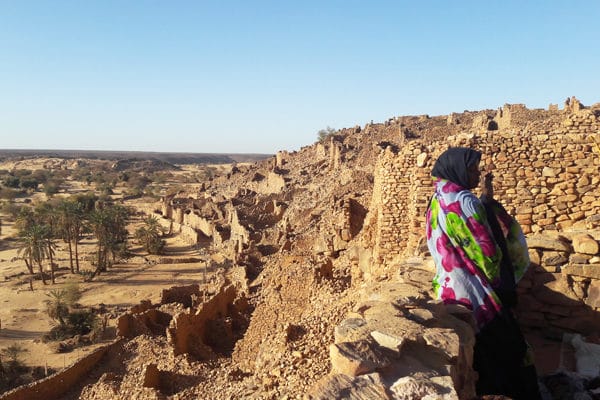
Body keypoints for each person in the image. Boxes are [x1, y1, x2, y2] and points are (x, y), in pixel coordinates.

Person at [425, 147, 541, 399]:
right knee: (508, 352)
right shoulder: (464, 200)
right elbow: (487, 256)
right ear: (458, 170)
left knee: (480, 360)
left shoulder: (438, 197)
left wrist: (484, 201)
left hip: (449, 290)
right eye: (472, 169)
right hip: (477, 295)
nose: (476, 174)